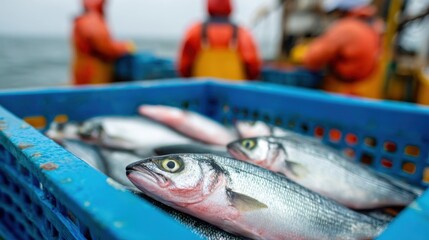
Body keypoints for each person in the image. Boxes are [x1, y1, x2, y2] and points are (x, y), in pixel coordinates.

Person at [303, 0, 383, 97]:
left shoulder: (346, 28)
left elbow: (312, 59)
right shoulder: (375, 27)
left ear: (343, 10)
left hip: (341, 90)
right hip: (364, 90)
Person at [177, 0, 262, 81]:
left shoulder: (194, 31)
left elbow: (183, 68)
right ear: (230, 5)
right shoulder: (242, 33)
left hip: (201, 95)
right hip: (235, 94)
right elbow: (253, 66)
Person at [71, 0, 134, 85]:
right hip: (92, 80)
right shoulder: (91, 20)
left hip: (86, 79)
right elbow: (105, 47)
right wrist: (125, 47)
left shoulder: (86, 19)